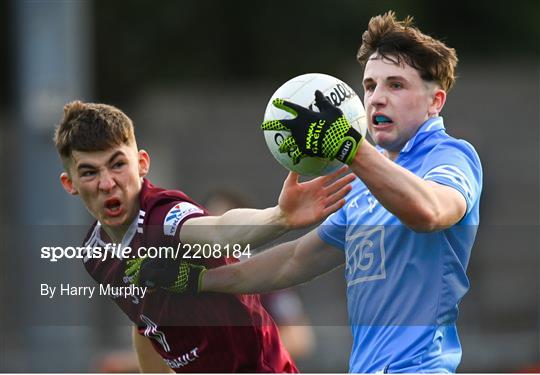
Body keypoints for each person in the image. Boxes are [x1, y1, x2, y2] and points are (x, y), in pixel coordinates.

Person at [146, 11, 483, 373]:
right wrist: (200, 280)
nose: (376, 99)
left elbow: (429, 212)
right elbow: (294, 260)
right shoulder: (365, 181)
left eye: (396, 85)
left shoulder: (450, 155)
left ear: (436, 102)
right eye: (370, 86)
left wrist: (351, 148)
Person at [53, 100, 354, 372]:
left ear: (142, 163)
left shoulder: (163, 215)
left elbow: (217, 231)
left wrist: (278, 217)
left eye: (118, 164)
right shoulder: (96, 254)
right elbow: (146, 326)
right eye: (90, 172)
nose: (107, 183)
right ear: (71, 183)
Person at [203, 189, 316, 361]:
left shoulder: (265, 275)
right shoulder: (192, 277)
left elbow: (298, 339)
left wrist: (243, 357)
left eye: (223, 224)